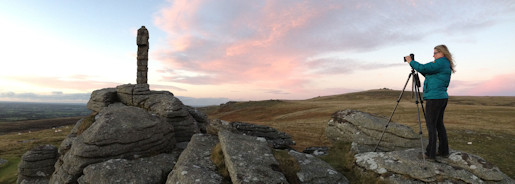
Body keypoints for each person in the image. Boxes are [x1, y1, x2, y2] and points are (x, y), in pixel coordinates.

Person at [405, 44, 456, 160]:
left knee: (431, 125)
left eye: (435, 53)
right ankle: (443, 151)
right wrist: (417, 67)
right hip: (441, 97)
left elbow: (423, 68)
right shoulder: (444, 64)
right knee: (439, 124)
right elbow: (428, 73)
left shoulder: (441, 62)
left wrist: (411, 62)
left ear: (442, 53)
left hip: (434, 98)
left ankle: (430, 153)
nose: (433, 55)